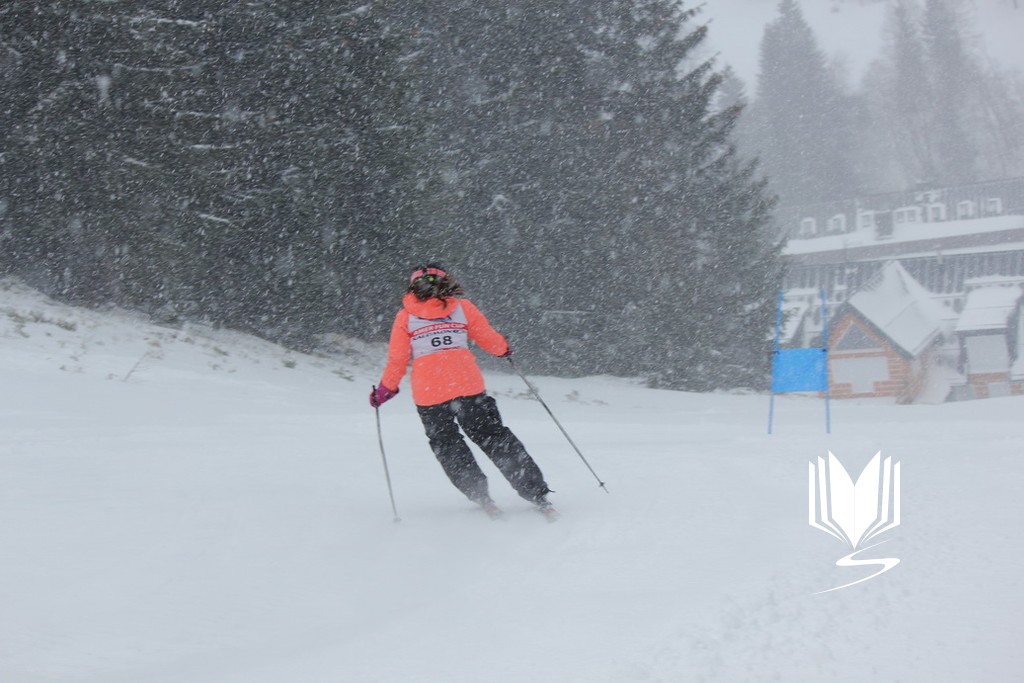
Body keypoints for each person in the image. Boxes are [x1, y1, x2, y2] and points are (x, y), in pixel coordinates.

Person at [369, 264, 554, 518]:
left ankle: (479, 494)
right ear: (447, 283)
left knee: (448, 445)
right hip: (467, 387)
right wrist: (503, 348)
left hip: (429, 394)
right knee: (494, 437)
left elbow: (397, 359)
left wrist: (386, 390)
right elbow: (488, 338)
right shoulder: (462, 308)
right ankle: (535, 492)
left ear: (413, 288)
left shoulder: (405, 317)